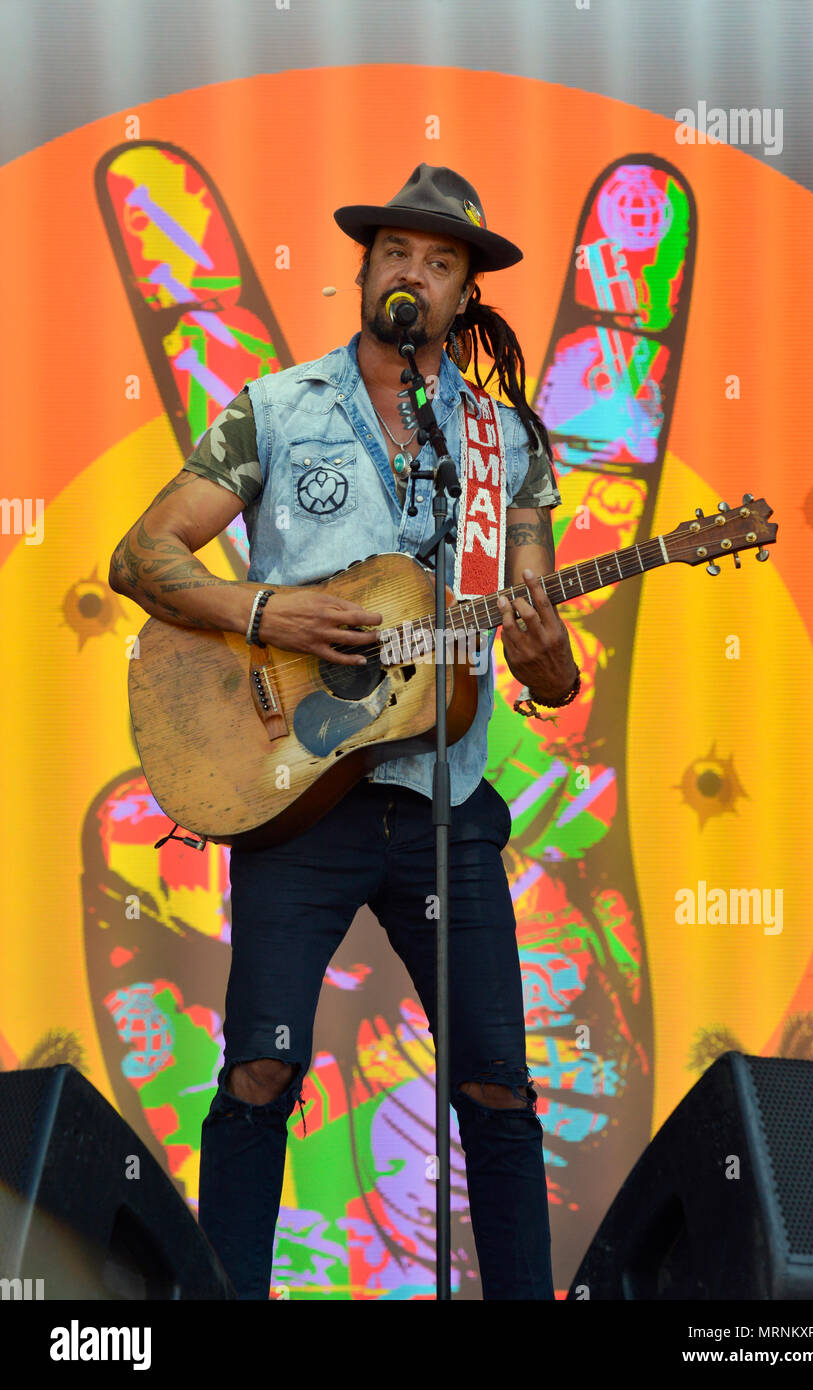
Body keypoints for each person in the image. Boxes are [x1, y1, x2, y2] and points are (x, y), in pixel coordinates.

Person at [109, 163, 580, 1300]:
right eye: (398, 253)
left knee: (498, 1087)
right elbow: (143, 556)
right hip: (289, 788)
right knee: (260, 1071)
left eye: (443, 260)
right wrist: (265, 610)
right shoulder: (273, 408)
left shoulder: (503, 442)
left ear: (467, 295)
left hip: (442, 806)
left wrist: (541, 647)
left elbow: (545, 665)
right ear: (365, 271)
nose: (415, 271)